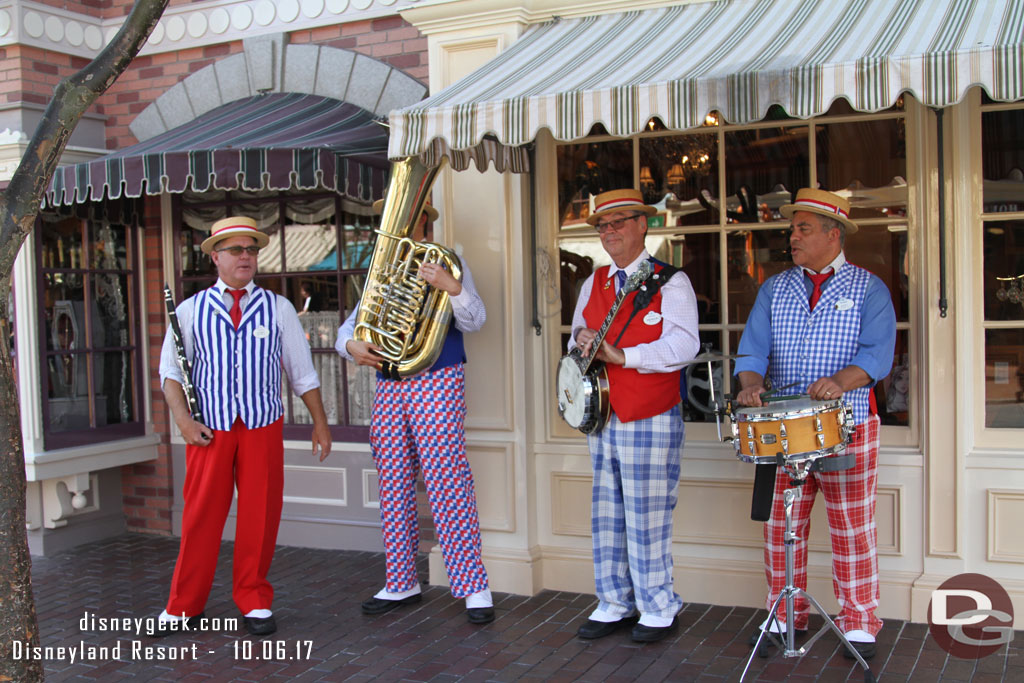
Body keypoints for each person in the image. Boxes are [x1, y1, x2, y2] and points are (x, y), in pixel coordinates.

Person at [734, 188, 896, 660]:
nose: (793, 236)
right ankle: (785, 613)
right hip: (785, 429)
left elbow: (877, 355)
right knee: (783, 526)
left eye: (803, 228)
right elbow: (752, 350)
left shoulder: (869, 289)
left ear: (833, 234)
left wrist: (841, 380)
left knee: (851, 527)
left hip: (850, 424)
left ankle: (860, 619)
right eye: (793, 228)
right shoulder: (774, 288)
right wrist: (748, 384)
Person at [151, 216, 332, 637]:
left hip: (262, 425)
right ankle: (183, 604)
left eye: (251, 250)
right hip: (209, 430)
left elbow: (301, 373)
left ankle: (253, 599)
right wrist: (183, 421)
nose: (245, 257)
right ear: (216, 257)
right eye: (236, 250)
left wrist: (320, 423)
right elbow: (170, 372)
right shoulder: (191, 309)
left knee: (260, 517)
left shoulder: (279, 308)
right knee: (200, 518)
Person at [336, 199, 495, 624]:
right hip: (390, 383)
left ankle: (473, 586)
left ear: (424, 219)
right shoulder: (383, 268)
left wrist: (451, 286)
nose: (404, 222)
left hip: (437, 377)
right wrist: (350, 345)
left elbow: (476, 319)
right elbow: (351, 327)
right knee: (393, 482)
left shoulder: (449, 261)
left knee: (447, 479)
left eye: (410, 214)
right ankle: (401, 580)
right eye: (397, 216)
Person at [568, 189, 700, 643]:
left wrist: (624, 355)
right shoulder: (593, 281)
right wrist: (582, 343)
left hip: (650, 412)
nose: (610, 232)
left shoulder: (670, 281)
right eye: (603, 225)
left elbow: (685, 346)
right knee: (606, 511)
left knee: (647, 512)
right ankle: (613, 601)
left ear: (643, 225)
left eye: (619, 222)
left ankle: (658, 606)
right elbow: (575, 340)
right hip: (602, 413)